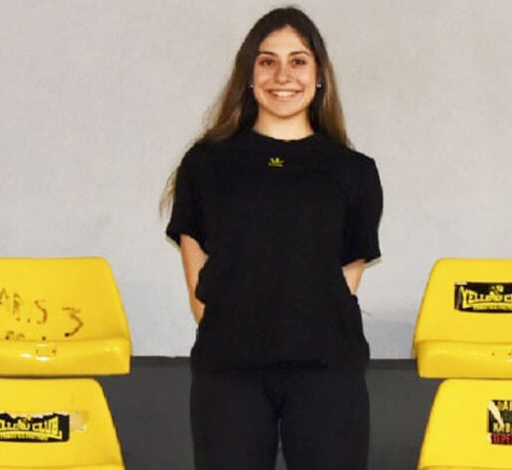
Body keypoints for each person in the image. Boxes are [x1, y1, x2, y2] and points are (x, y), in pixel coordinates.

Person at [163, 7, 382, 470]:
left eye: (298, 61)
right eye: (267, 61)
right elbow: (197, 275)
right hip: (229, 373)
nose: (283, 76)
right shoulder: (205, 165)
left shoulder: (354, 172)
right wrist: (238, 332)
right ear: (249, 74)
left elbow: (346, 276)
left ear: (319, 76)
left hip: (327, 373)